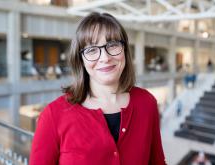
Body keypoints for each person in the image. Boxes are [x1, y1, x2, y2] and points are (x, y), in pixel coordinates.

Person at [29, 12, 166, 165]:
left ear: (125, 51)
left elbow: (157, 162)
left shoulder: (146, 103)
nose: (105, 58)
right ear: (80, 59)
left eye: (113, 45)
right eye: (92, 50)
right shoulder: (53, 116)